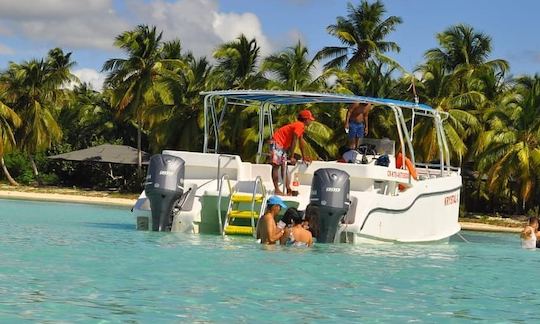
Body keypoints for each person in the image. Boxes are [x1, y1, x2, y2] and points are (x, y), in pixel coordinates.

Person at [270, 109, 315, 195]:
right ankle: (276, 189)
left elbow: (301, 142)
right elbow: (294, 140)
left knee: (284, 166)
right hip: (277, 142)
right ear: (306, 119)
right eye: (310, 119)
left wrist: (304, 156)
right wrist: (292, 156)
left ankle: (288, 189)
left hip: (281, 145)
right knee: (276, 166)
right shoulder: (299, 125)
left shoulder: (300, 126)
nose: (311, 122)